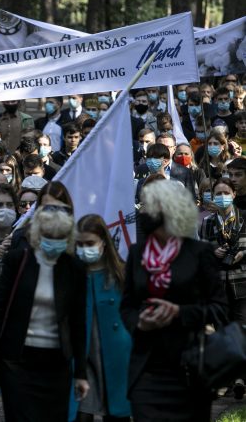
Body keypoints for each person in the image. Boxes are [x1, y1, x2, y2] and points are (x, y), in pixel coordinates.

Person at [120, 180, 227, 421]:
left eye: (150, 207)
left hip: (189, 369)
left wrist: (179, 312)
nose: (143, 212)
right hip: (146, 370)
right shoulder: (138, 253)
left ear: (169, 209)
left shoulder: (199, 253)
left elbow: (219, 309)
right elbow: (127, 306)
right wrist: (139, 321)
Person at [0, 207, 89, 422]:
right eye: (49, 236)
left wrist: (81, 372)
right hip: (18, 359)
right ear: (38, 235)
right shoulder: (18, 260)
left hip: (56, 362)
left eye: (60, 237)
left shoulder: (73, 267)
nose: (54, 242)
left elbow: (78, 321)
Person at [73, 215, 131, 422]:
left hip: (116, 357)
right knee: (80, 414)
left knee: (117, 413)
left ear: (104, 242)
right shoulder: (73, 274)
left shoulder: (121, 273)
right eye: (79, 244)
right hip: (81, 358)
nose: (84, 249)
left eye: (90, 243)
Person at [199, 177, 246, 399]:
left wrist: (242, 251)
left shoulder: (244, 218)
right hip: (218, 282)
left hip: (241, 280)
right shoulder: (208, 221)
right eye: (218, 193)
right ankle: (228, 377)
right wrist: (212, 250)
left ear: (234, 194)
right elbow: (201, 247)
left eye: (226, 192)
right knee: (223, 331)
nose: (222, 197)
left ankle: (241, 378)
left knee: (242, 327)